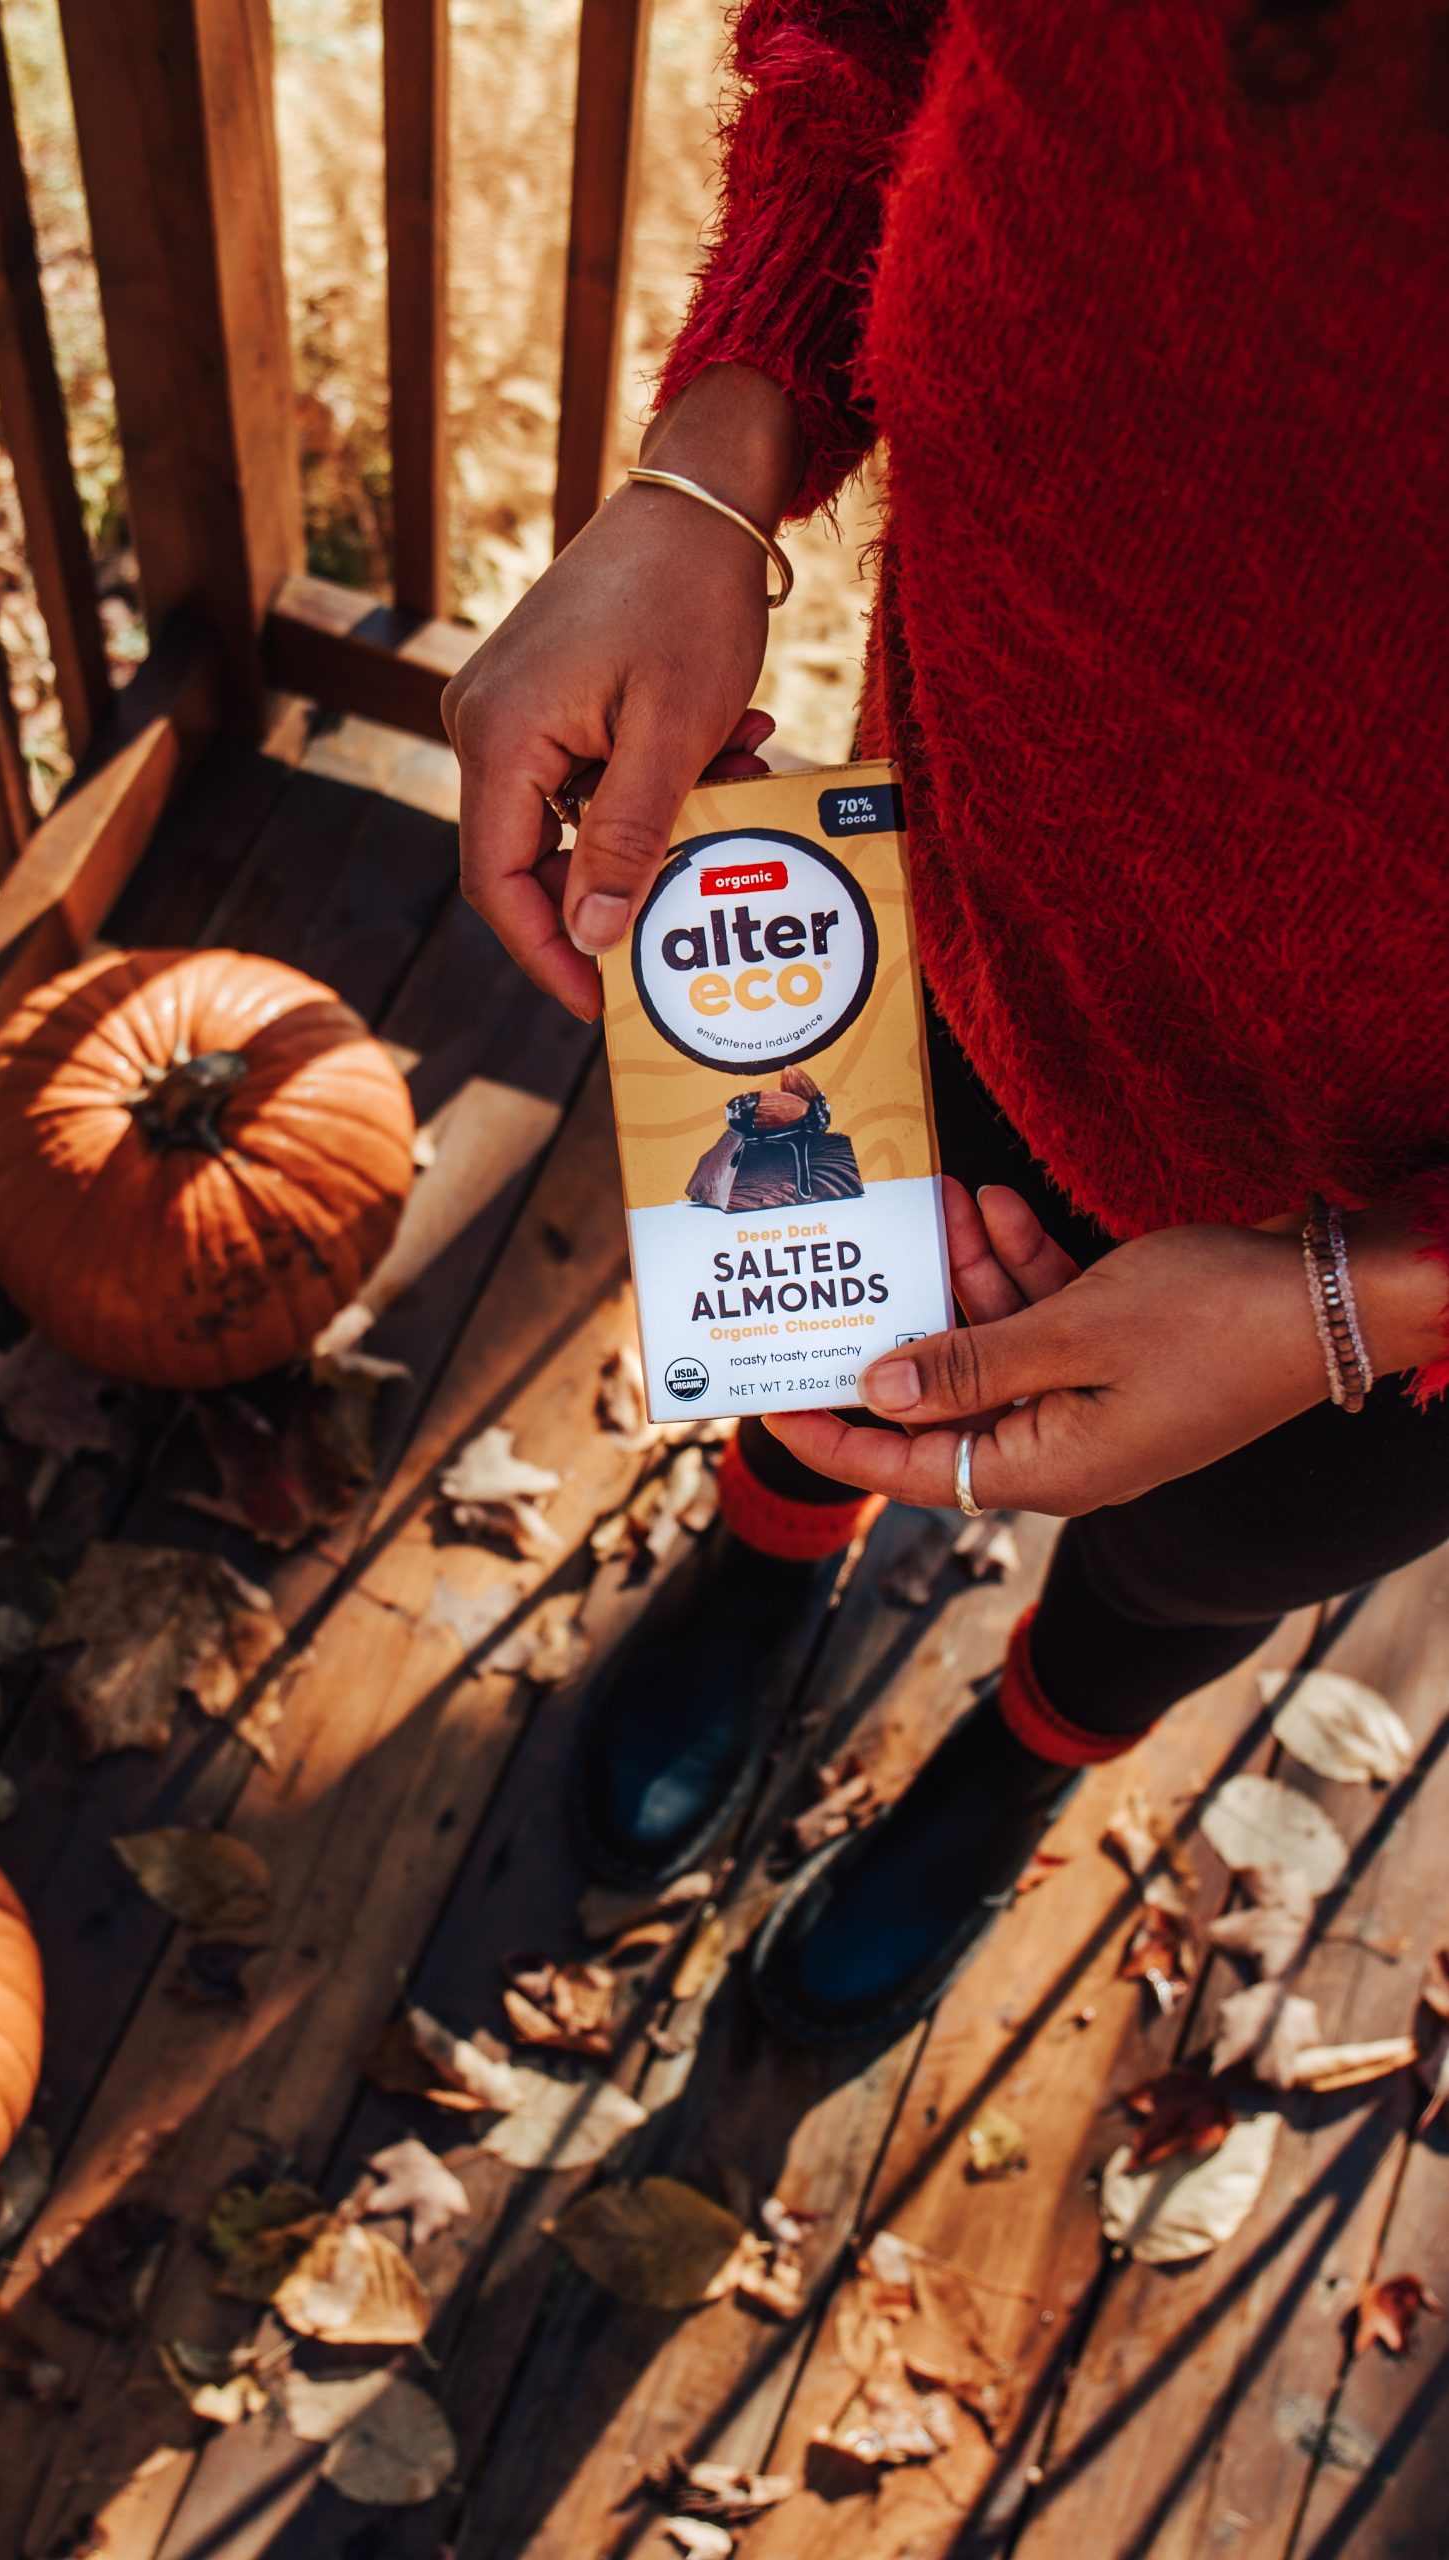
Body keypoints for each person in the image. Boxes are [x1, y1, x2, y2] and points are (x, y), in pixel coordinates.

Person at [443, 0, 1449, 2047]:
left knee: (1194, 1559)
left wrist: (1364, 1297)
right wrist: (710, 461)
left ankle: (1016, 1760)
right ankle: (762, 1554)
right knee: (817, 1313)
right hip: (955, 835)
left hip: (1375, 1246)